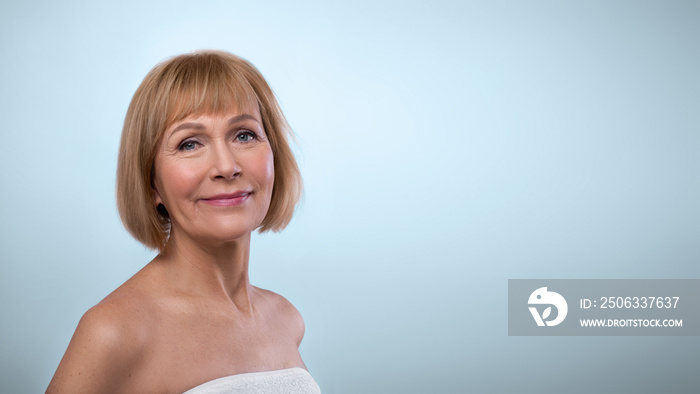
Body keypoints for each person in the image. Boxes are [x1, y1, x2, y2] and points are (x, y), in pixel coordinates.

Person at [47, 50, 320, 393]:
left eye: (244, 135)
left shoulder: (286, 319)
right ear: (152, 183)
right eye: (190, 143)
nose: (226, 166)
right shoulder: (113, 331)